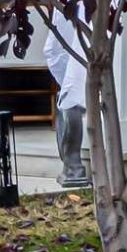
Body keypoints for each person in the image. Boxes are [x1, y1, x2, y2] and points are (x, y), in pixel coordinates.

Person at [43, 18, 89, 189]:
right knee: (55, 51)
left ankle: (73, 164)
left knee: (72, 83)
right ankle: (72, 164)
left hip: (89, 6)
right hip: (68, 3)